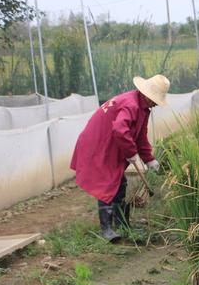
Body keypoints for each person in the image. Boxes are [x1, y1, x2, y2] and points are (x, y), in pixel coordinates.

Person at [70, 74, 170, 241]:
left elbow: (140, 137)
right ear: (146, 94)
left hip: (111, 142)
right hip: (98, 143)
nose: (155, 104)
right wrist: (131, 153)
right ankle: (106, 229)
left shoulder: (143, 108)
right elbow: (119, 129)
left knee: (120, 182)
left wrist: (149, 159)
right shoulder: (131, 104)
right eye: (155, 99)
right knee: (107, 182)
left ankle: (122, 223)